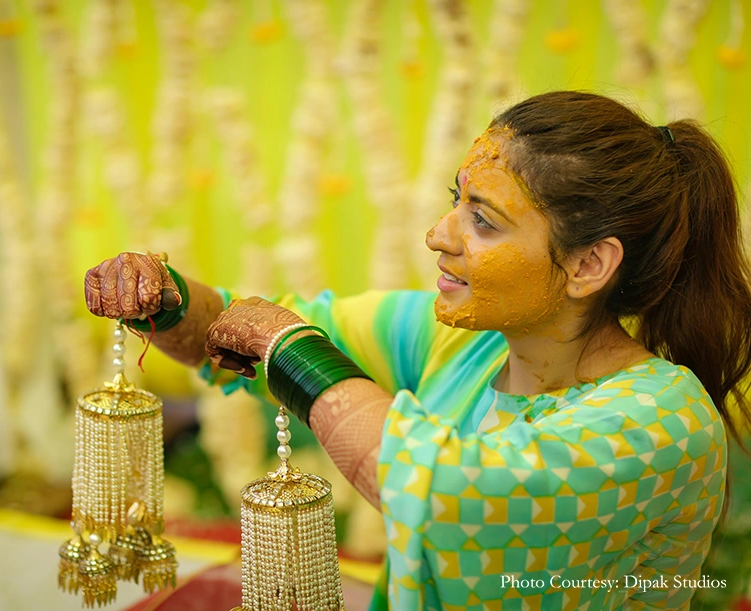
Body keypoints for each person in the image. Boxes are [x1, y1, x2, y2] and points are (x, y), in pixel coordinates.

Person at [83, 91, 751, 610]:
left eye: (482, 220)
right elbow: (236, 336)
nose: (439, 234)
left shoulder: (660, 418)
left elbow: (447, 495)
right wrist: (166, 299)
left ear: (588, 265)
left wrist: (291, 347)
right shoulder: (459, 340)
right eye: (453, 204)